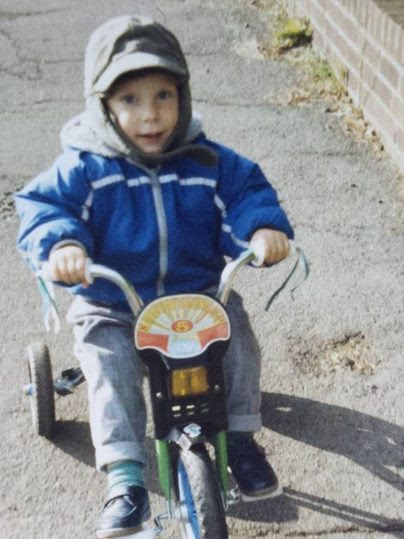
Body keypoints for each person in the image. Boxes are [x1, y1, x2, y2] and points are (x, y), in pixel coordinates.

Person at [15, 15, 294, 538]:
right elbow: (44, 206)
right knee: (110, 366)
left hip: (196, 298)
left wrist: (262, 232)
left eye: (163, 95)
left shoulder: (206, 159)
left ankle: (239, 440)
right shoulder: (86, 167)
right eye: (130, 100)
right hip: (115, 303)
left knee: (236, 343)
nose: (150, 115)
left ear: (182, 95)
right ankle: (125, 478)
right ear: (103, 106)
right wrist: (64, 246)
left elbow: (248, 192)